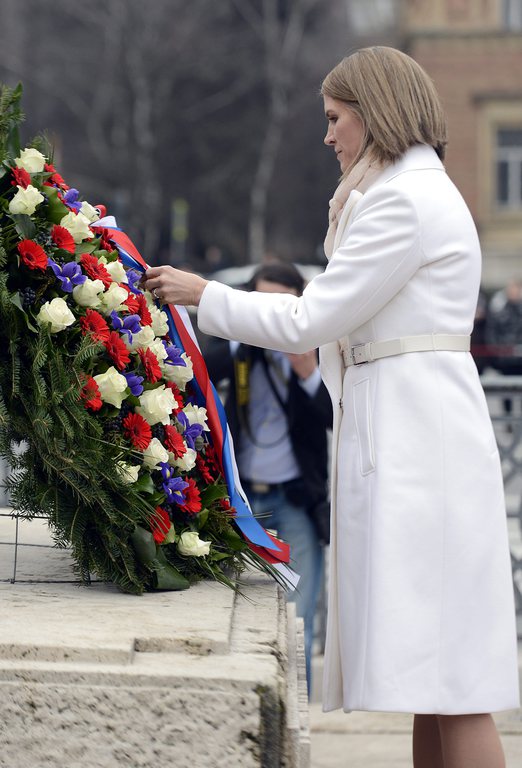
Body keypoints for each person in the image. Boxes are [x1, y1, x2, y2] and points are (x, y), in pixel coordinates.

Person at [143, 46, 520, 768]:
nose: (328, 136)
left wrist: (205, 296)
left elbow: (309, 321)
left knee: (455, 681)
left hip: (421, 445)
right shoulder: (404, 193)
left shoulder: (404, 200)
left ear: (372, 114)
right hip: (416, 435)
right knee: (431, 678)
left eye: (335, 118)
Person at [204, 261, 332, 693]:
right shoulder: (242, 347)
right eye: (259, 304)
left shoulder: (316, 349)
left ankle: (298, 707)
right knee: (234, 609)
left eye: (281, 305)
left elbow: (335, 416)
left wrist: (308, 373)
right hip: (240, 503)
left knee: (298, 616)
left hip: (295, 499)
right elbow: (197, 374)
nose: (269, 315)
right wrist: (241, 341)